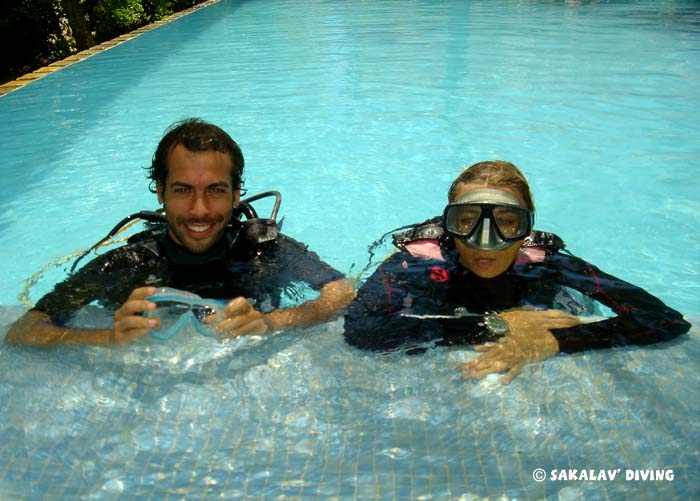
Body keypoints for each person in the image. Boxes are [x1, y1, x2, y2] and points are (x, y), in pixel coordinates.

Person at [5, 118, 355, 347]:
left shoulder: (262, 249)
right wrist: (107, 337)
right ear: (160, 191)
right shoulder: (130, 263)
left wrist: (271, 322)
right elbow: (23, 331)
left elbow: (341, 292)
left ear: (236, 195)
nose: (199, 210)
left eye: (216, 190)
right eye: (183, 190)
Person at [344, 160, 690, 383]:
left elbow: (662, 319)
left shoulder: (542, 260)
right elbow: (361, 328)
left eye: (507, 223)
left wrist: (552, 341)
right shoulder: (422, 260)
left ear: (526, 228)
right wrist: (496, 325)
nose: (484, 242)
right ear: (449, 223)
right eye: (467, 221)